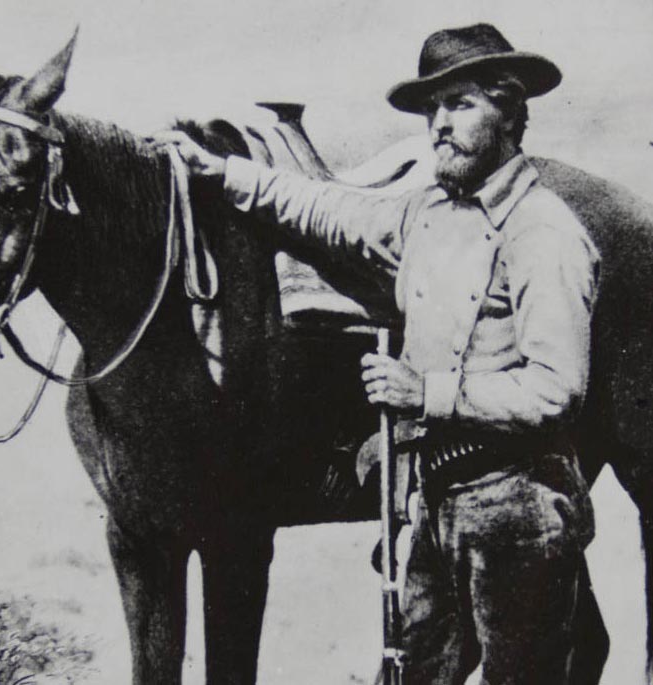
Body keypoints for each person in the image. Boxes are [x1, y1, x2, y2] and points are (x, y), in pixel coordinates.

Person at [157, 22, 602, 685]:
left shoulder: (545, 235)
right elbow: (326, 207)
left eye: (459, 104)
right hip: (436, 500)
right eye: (432, 110)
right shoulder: (423, 213)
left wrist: (424, 394)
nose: (438, 126)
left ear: (508, 109)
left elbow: (554, 388)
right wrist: (224, 173)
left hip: (519, 506)